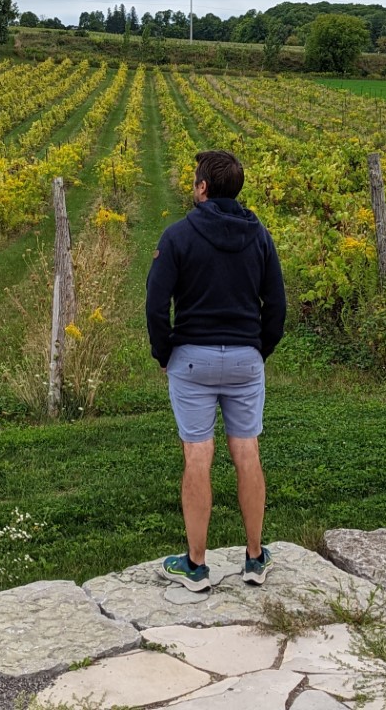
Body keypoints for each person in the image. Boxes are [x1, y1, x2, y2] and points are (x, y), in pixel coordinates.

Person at [145, 149, 287, 591]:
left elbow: (155, 304)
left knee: (198, 454)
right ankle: (254, 557)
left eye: (194, 181)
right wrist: (257, 349)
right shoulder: (259, 235)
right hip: (245, 358)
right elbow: (277, 306)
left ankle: (196, 564)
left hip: (192, 359)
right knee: (247, 452)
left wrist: (164, 353)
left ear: (203, 188)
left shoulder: (177, 236)